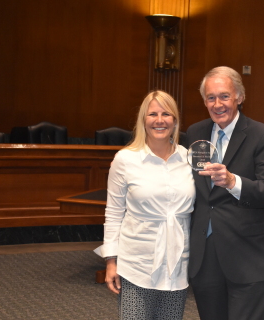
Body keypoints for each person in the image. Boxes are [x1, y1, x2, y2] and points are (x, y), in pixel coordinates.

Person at [186, 66, 264, 320]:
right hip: (205, 254)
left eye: (224, 96)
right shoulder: (195, 133)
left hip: (248, 255)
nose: (217, 104)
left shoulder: (261, 135)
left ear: (239, 97)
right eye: (210, 97)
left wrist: (232, 182)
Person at [94, 90, 195, 320]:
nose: (160, 120)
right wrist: (111, 261)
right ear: (143, 120)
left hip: (177, 264)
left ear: (175, 120)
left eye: (166, 114)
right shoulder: (125, 159)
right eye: (153, 114)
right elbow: (113, 213)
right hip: (137, 264)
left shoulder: (188, 158)